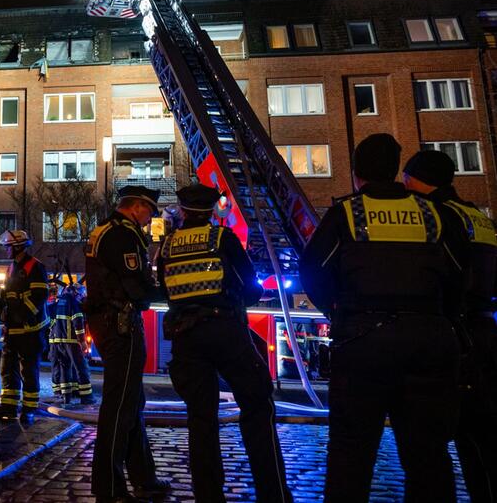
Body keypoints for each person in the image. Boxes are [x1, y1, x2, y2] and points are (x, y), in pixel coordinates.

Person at [299, 134, 468, 502]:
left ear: (357, 173)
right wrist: (441, 316)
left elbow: (311, 272)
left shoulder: (345, 214)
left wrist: (338, 309)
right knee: (428, 456)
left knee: (350, 454)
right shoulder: (435, 214)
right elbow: (461, 275)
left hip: (362, 341)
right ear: (396, 171)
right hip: (429, 340)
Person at [159, 183, 291, 502]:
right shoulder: (222, 238)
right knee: (257, 405)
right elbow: (251, 286)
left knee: (201, 420)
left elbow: (166, 291)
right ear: (211, 211)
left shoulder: (168, 246)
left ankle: (208, 496)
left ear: (182, 210)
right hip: (226, 330)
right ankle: (273, 493)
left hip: (186, 338)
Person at [403, 150, 497, 502]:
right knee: (483, 444)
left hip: (450, 335)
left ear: (414, 179)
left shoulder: (436, 217)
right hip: (485, 333)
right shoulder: (478, 217)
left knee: (428, 445)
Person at [83, 185, 169, 502]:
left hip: (109, 322)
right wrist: (170, 292)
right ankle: (109, 485)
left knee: (132, 402)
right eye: (149, 212)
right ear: (135, 207)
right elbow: (136, 287)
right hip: (119, 324)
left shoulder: (108, 230)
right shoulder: (123, 235)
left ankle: (143, 476)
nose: (150, 219)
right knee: (120, 406)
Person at [0, 230, 49, 423]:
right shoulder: (12, 267)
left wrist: (23, 314)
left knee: (29, 371)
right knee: (7, 368)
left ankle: (28, 411)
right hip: (13, 328)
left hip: (30, 329)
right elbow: (9, 294)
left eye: (8, 247)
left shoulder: (35, 266)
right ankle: (9, 407)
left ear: (17, 247)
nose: (6, 250)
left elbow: (40, 296)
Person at [48, 283, 93, 405]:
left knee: (64, 368)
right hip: (72, 341)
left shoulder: (58, 302)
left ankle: (66, 397)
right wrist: (82, 341)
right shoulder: (73, 302)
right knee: (81, 367)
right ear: (76, 293)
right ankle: (87, 397)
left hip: (58, 342)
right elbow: (78, 322)